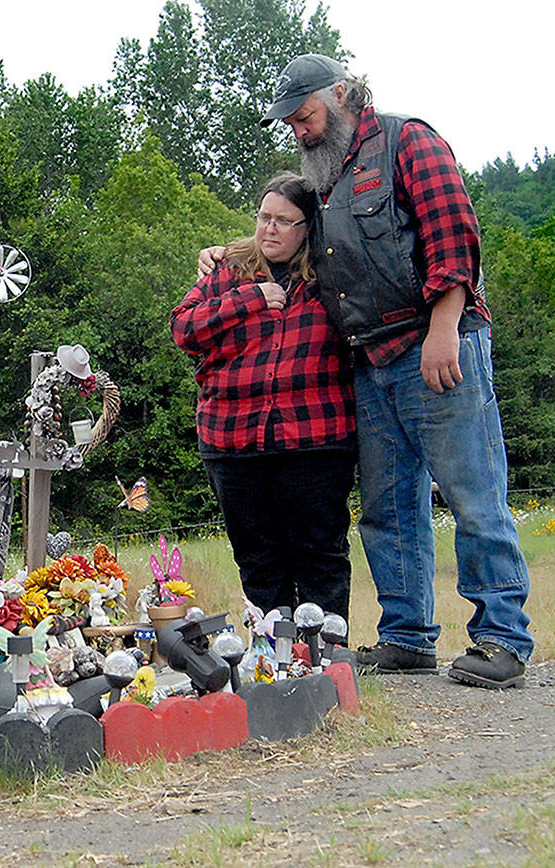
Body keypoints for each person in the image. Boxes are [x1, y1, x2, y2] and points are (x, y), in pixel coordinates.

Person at [200, 54, 533, 689]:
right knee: (388, 505)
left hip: (436, 344)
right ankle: (407, 636)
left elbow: (453, 234)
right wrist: (226, 253)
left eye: (307, 116)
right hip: (369, 358)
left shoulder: (410, 140)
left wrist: (443, 330)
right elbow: (288, 244)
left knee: (472, 493)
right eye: (291, 123)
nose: (300, 131)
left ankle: (501, 637)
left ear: (346, 94)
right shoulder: (324, 177)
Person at [173, 172, 356, 620]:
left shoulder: (332, 276)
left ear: (308, 228)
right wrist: (250, 298)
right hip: (232, 438)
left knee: (320, 557)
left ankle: (326, 666)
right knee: (257, 561)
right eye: (263, 217)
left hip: (314, 439)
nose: (269, 229)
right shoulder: (227, 271)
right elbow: (183, 329)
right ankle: (271, 664)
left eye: (284, 221)